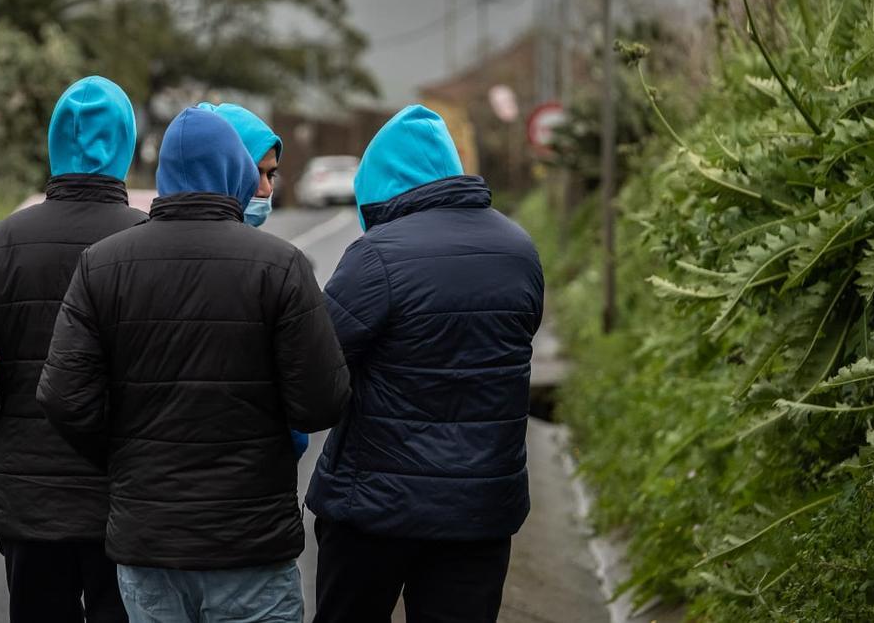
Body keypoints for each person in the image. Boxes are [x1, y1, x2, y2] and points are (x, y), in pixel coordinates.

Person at [36, 107, 350, 623]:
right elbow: (322, 402)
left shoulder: (102, 264)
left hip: (148, 536)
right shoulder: (281, 265)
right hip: (250, 539)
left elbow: (61, 395)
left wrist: (121, 453)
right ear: (235, 172)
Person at [305, 105, 544, 623]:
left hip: (374, 509)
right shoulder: (519, 249)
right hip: (481, 512)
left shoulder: (377, 255)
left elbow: (319, 366)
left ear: (384, 186)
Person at [0, 76, 145, 623]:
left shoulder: (0, 241)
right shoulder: (149, 242)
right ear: (126, 144)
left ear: (54, 144)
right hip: (126, 496)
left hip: (30, 500)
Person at [196, 101, 310, 459]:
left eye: (270, 175)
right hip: (256, 480)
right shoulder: (279, 268)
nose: (263, 188)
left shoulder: (276, 262)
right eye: (253, 172)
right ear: (221, 166)